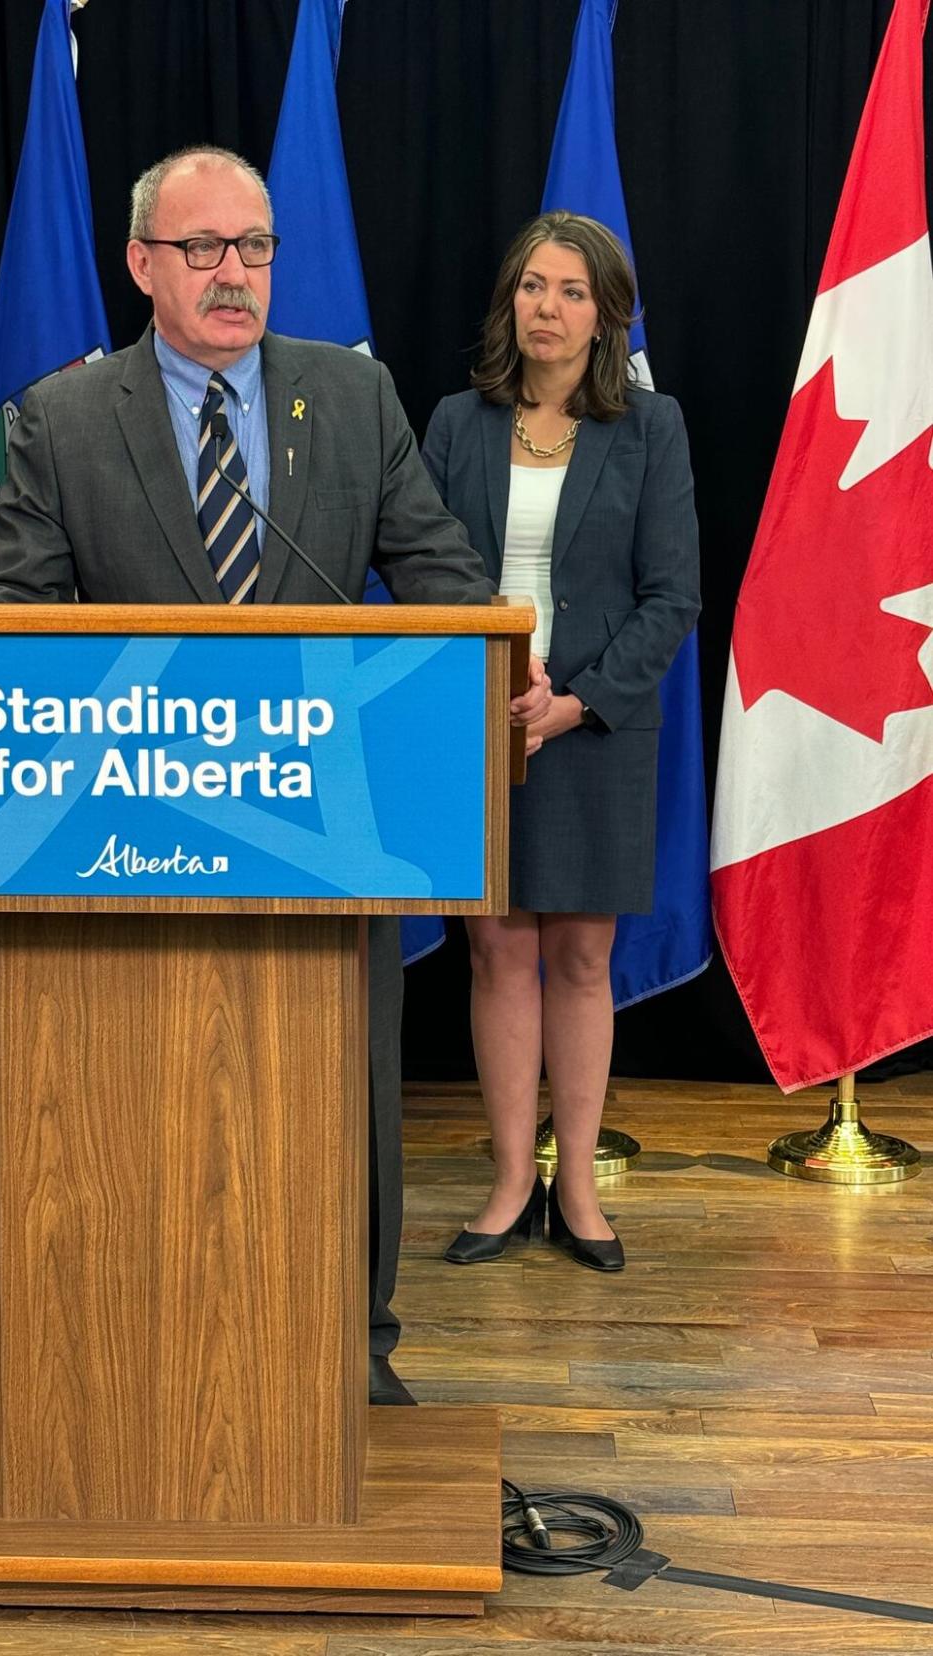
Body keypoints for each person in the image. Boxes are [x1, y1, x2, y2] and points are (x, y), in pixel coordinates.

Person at [0, 146, 551, 1402]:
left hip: (331, 827)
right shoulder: (62, 420)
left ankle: (356, 1344)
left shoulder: (353, 396)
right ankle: (137, 1352)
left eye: (256, 248)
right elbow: (10, 621)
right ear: (141, 265)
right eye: (204, 250)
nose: (235, 275)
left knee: (348, 1099)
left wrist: (508, 675)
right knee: (147, 1107)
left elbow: (438, 573)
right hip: (132, 844)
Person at [423, 210, 700, 1273]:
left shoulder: (651, 425)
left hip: (598, 727)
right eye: (534, 286)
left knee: (581, 956)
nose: (549, 307)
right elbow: (423, 570)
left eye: (572, 291)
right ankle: (508, 1182)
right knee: (496, 949)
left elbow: (673, 595)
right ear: (512, 302)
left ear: (606, 315)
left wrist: (577, 701)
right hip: (481, 721)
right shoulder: (455, 422)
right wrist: (496, 688)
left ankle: (576, 1183)